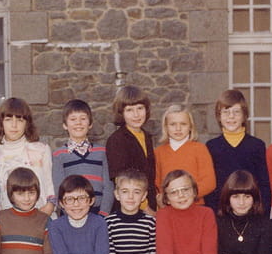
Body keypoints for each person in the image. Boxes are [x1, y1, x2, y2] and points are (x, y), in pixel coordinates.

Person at [205, 90, 271, 213]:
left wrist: (262, 217)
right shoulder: (212, 147)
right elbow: (210, 188)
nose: (231, 116)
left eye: (236, 112)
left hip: (251, 213)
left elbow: (264, 185)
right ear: (219, 116)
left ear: (244, 115)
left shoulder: (257, 146)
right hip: (221, 214)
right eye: (226, 112)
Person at [0, 97, 55, 215]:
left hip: (40, 216)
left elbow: (50, 185)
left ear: (27, 123)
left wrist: (50, 206)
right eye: (8, 119)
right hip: (8, 219)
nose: (14, 125)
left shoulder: (42, 150)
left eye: (20, 120)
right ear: (1, 122)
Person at [51, 98, 114, 215]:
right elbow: (59, 189)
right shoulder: (59, 155)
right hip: (71, 213)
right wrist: (70, 213)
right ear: (65, 125)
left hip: (98, 212)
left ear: (90, 124)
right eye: (73, 119)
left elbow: (108, 186)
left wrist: (103, 213)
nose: (78, 123)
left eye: (83, 119)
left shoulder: (102, 152)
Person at [105, 85, 157, 214]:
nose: (136, 114)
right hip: (130, 207)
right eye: (129, 110)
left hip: (149, 203)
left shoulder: (147, 136)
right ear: (121, 113)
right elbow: (121, 179)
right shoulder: (117, 140)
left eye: (140, 108)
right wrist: (146, 208)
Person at [154, 105, 216, 206]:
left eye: (183, 124)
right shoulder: (158, 152)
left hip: (195, 206)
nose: (178, 128)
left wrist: (186, 197)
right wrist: (168, 199)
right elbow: (157, 183)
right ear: (166, 127)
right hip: (169, 207)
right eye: (173, 124)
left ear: (190, 126)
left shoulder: (199, 149)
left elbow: (209, 182)